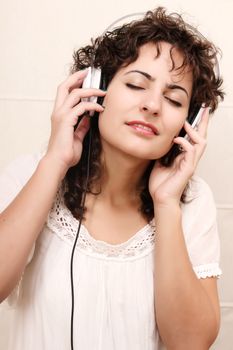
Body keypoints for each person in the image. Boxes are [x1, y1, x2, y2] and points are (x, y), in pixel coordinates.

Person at [0, 7, 224, 350]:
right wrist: (55, 162)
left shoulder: (192, 202)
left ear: (189, 124)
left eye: (173, 99)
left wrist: (166, 204)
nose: (152, 105)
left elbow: (191, 343)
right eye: (136, 84)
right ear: (95, 87)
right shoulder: (31, 174)